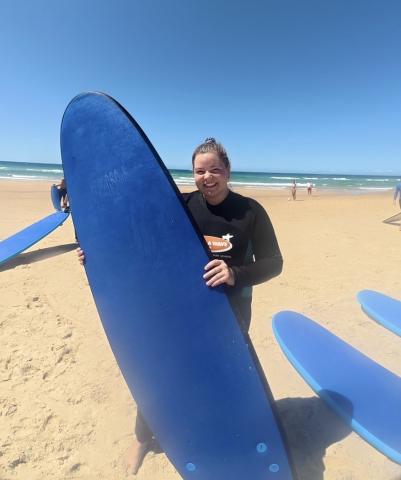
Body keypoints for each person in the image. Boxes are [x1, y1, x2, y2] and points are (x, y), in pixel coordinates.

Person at [77, 138, 283, 475]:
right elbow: (135, 236)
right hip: (178, 312)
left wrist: (235, 273)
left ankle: (222, 433)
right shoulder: (181, 206)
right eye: (200, 171)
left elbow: (274, 263)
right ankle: (143, 438)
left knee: (224, 379)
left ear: (227, 171)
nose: (208, 177)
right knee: (162, 375)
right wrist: (95, 253)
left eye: (215, 169)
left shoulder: (250, 212)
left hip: (229, 316)